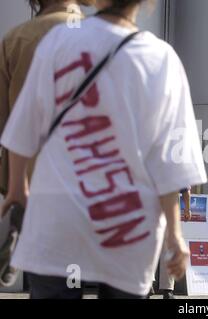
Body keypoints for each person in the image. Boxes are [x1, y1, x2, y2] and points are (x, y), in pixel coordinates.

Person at [0, 0, 207, 298]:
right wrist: (175, 234)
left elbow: (23, 128)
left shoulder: (58, 41)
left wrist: (17, 188)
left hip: (57, 218)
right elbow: (170, 160)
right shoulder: (162, 58)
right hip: (129, 227)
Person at [0, 0, 95, 287]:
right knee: (69, 278)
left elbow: (4, 122)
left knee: (49, 283)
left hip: (28, 179)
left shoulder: (16, 39)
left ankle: (20, 232)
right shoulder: (101, 39)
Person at [158, 188, 191, 299]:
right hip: (169, 201)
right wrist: (187, 209)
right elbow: (186, 190)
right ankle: (167, 290)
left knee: (146, 244)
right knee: (168, 246)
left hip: (146, 200)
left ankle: (147, 286)